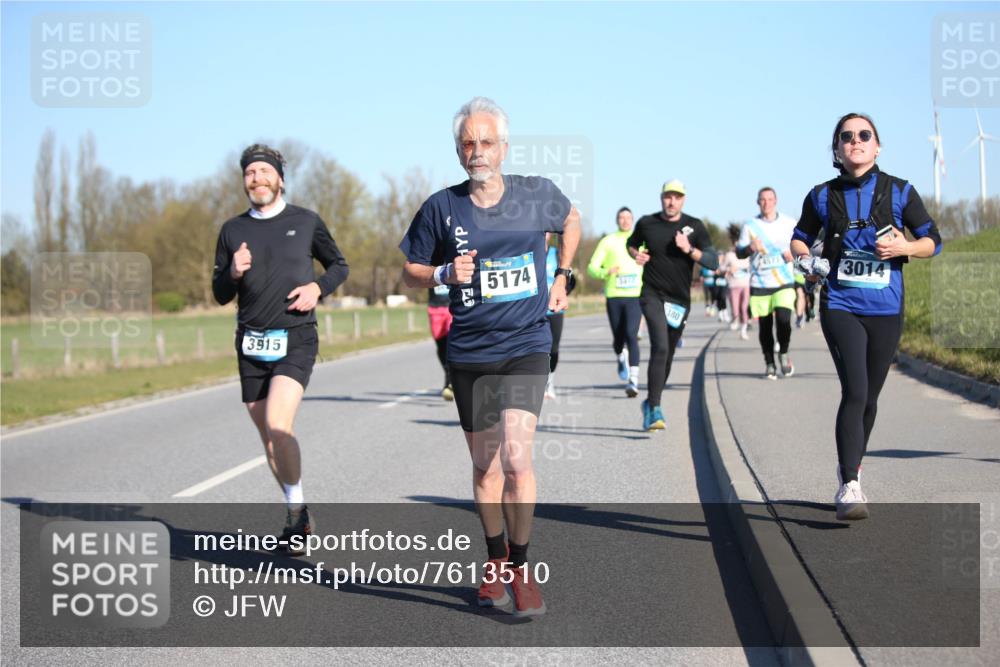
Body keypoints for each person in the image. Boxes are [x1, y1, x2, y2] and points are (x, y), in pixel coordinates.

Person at [400, 97, 580, 616]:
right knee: (485, 469)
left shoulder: (534, 193)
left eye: (486, 142)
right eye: (467, 144)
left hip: (526, 344)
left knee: (518, 461)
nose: (477, 151)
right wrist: (440, 274)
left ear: (503, 148)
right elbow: (411, 267)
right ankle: (495, 557)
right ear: (459, 152)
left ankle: (521, 568)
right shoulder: (442, 207)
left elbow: (571, 220)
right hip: (472, 352)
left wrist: (563, 274)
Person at [790, 112, 941, 521]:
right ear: (836, 149)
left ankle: (851, 465)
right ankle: (849, 485)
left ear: (877, 146)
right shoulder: (821, 195)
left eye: (863, 135)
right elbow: (799, 239)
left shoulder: (900, 191)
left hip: (886, 308)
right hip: (840, 304)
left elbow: (933, 241)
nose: (855, 141)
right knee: (855, 391)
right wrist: (806, 261)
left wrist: (906, 248)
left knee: (870, 398)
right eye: (846, 136)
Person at [212, 144, 349, 549]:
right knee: (268, 439)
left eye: (264, 172)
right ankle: (297, 512)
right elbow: (219, 293)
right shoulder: (232, 230)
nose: (257, 179)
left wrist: (316, 288)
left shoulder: (306, 222)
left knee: (278, 423)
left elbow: (339, 265)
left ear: (280, 179)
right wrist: (233, 272)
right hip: (250, 343)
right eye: (250, 173)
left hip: (295, 337)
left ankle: (296, 510)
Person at [627, 180, 718, 431]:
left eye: (677, 197)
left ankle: (650, 401)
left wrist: (689, 249)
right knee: (660, 345)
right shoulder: (647, 223)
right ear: (661, 198)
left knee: (667, 353)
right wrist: (636, 255)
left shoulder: (695, 226)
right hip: (652, 293)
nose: (672, 201)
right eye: (668, 197)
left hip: (679, 300)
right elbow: (631, 244)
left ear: (683, 200)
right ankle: (655, 408)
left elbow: (713, 261)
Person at [737, 187, 798, 380]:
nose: (766, 203)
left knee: (783, 321)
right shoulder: (750, 225)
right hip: (760, 283)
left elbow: (801, 244)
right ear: (758, 202)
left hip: (784, 281)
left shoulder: (789, 223)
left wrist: (793, 252)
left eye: (770, 199)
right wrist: (750, 247)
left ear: (776, 201)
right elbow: (739, 253)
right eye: (762, 200)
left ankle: (784, 352)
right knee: (765, 327)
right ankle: (769, 363)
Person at [587, 206, 643, 397]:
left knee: (631, 335)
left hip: (635, 295)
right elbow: (592, 267)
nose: (625, 220)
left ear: (633, 220)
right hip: (614, 295)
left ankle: (633, 380)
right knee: (619, 338)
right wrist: (605, 272)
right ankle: (620, 356)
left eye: (628, 217)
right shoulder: (608, 241)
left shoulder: (641, 240)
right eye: (621, 217)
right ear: (617, 220)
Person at [720, 224, 751, 339]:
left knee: (744, 307)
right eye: (735, 242)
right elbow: (721, 268)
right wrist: (728, 269)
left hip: (746, 284)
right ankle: (735, 320)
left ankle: (743, 330)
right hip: (733, 285)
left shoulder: (747, 255)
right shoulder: (729, 255)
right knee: (735, 308)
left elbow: (752, 267)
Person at [427, 285, 454, 400]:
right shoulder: (430, 265)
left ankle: (449, 381)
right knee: (440, 346)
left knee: (451, 343)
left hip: (452, 307)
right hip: (435, 309)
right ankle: (449, 373)